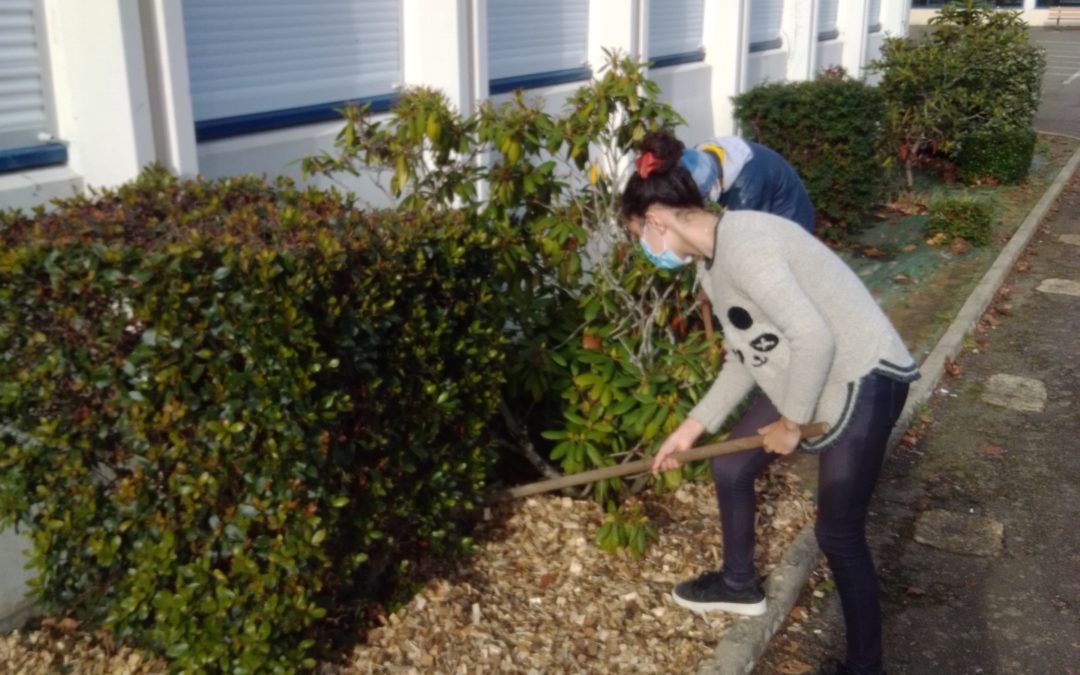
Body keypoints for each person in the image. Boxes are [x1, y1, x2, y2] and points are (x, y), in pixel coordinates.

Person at [623, 131, 918, 675]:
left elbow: (815, 337)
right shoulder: (712, 266)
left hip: (864, 375)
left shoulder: (749, 246)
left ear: (660, 219)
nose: (647, 250)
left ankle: (865, 666)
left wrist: (790, 422)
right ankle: (738, 584)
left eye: (641, 235)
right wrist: (691, 429)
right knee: (731, 463)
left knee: (838, 531)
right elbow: (746, 358)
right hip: (811, 375)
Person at [679, 134, 816, 233]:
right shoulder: (698, 157)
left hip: (791, 220)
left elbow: (742, 235)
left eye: (704, 194)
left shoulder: (745, 189)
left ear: (715, 183)